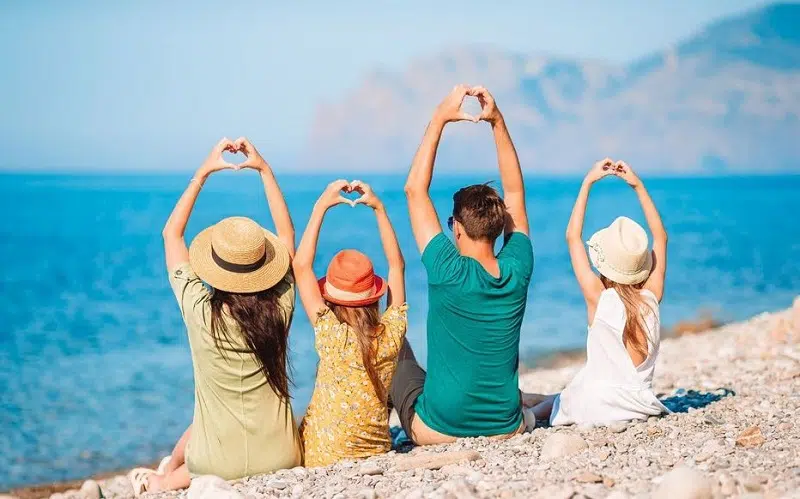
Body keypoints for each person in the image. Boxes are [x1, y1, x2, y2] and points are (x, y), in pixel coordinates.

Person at [128, 138, 302, 495]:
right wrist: (265, 171)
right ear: (262, 266)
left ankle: (159, 481)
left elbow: (171, 234)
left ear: (215, 266)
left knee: (203, 437)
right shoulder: (280, 306)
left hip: (215, 462)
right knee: (206, 431)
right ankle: (163, 477)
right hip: (283, 455)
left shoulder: (199, 310)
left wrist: (203, 172)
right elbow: (287, 237)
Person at [390, 85, 534, 445]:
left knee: (392, 346)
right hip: (506, 427)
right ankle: (534, 410)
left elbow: (414, 190)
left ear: (455, 227)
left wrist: (439, 117)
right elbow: (515, 193)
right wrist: (497, 122)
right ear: (501, 226)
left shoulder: (447, 269)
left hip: (437, 430)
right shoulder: (518, 267)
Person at [523, 158, 669, 426]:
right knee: (571, 391)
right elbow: (660, 237)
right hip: (640, 404)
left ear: (605, 265)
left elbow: (572, 236)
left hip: (596, 406)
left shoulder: (600, 299)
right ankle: (534, 400)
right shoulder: (652, 297)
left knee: (565, 399)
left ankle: (529, 413)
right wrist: (637, 186)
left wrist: (587, 183)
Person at [293, 180, 407, 467]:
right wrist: (379, 209)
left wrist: (321, 205)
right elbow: (397, 266)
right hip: (378, 450)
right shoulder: (391, 334)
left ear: (330, 296)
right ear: (373, 296)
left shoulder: (333, 336)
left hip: (322, 456)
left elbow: (301, 266)